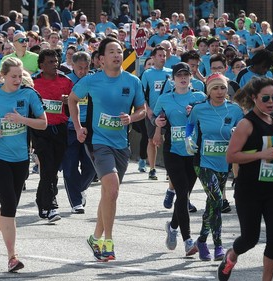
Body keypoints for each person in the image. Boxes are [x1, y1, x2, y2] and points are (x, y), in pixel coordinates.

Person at [68, 37, 146, 261]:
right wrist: (78, 127)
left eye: (119, 51)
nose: (116, 55)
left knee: (109, 193)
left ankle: (95, 238)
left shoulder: (132, 81)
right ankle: (108, 242)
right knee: (111, 188)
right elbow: (72, 100)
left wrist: (131, 117)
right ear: (101, 59)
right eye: (111, 51)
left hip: (121, 143)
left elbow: (142, 109)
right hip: (97, 142)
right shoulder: (92, 81)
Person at [218, 77, 273, 281]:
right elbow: (231, 156)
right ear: (254, 98)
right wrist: (260, 155)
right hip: (249, 190)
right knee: (250, 238)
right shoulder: (246, 124)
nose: (271, 102)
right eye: (266, 98)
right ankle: (231, 256)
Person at [0, 57, 47, 272]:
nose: (18, 80)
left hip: (20, 158)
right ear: (2, 76)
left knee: (9, 205)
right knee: (9, 206)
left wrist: (23, 120)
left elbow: (43, 122)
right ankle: (12, 257)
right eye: (13, 76)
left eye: (20, 76)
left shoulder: (28, 95)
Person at [186, 73, 243, 261]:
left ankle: (202, 240)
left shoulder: (235, 110)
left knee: (212, 203)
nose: (219, 92)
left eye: (223, 88)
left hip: (223, 162)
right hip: (202, 161)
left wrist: (237, 132)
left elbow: (243, 129)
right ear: (208, 91)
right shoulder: (199, 109)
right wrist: (188, 138)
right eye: (215, 88)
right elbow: (190, 125)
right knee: (217, 199)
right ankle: (218, 246)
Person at [153, 62, 206, 256]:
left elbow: (207, 118)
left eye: (186, 74)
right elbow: (156, 117)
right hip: (173, 151)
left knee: (185, 196)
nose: (183, 78)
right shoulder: (165, 99)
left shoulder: (199, 97)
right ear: (173, 79)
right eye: (179, 75)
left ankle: (173, 226)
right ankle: (188, 240)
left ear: (191, 77)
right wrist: (157, 125)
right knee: (182, 194)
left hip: (193, 152)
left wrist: (197, 114)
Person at [32, 49, 73, 223]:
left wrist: (68, 102)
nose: (54, 65)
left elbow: (75, 105)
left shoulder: (66, 81)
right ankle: (50, 206)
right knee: (47, 166)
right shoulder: (33, 83)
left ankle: (42, 200)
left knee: (53, 169)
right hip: (41, 130)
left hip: (60, 128)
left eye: (56, 61)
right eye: (50, 62)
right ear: (41, 65)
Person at [63, 51, 96, 214]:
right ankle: (76, 202)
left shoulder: (95, 80)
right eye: (79, 68)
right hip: (69, 127)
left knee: (92, 166)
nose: (83, 71)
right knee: (70, 166)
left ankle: (80, 188)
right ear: (73, 66)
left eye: (86, 67)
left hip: (91, 128)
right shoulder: (66, 81)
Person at [141, 45, 173, 180]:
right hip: (152, 113)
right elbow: (141, 94)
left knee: (168, 141)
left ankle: (168, 170)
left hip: (168, 113)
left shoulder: (171, 72)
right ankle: (152, 168)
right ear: (153, 57)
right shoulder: (147, 74)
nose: (162, 58)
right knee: (151, 140)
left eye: (164, 55)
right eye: (159, 55)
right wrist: (147, 109)